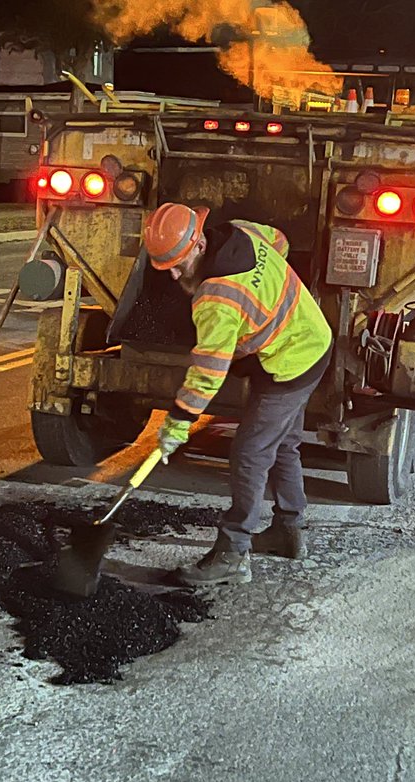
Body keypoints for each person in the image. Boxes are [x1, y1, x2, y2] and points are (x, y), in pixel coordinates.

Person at [143, 202, 333, 586]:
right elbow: (279, 242)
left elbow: (209, 370)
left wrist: (179, 421)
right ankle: (288, 532)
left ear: (198, 244)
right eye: (166, 268)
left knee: (250, 452)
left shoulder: (216, 299)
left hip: (292, 360)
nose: (175, 274)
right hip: (311, 337)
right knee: (283, 443)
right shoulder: (241, 230)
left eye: (179, 264)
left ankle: (233, 553)